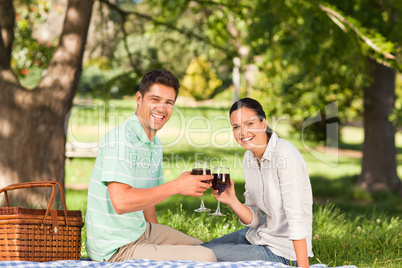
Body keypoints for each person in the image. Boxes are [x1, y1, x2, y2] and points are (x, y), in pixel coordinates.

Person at [85, 70, 216, 262]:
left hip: (140, 231)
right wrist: (176, 186)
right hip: (115, 247)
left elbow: (148, 202)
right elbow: (121, 202)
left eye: (169, 103)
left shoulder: (154, 144)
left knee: (200, 246)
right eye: (155, 99)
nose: (162, 109)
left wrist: (153, 244)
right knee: (207, 257)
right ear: (139, 98)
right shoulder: (121, 140)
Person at [202, 98, 313, 268]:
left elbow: (297, 218)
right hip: (258, 236)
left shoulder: (284, 154)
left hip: (283, 252)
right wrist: (232, 200)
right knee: (201, 249)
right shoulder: (249, 157)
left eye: (249, 123)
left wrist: (303, 266)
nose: (243, 132)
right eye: (236, 127)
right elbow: (255, 219)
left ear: (263, 123)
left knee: (203, 256)